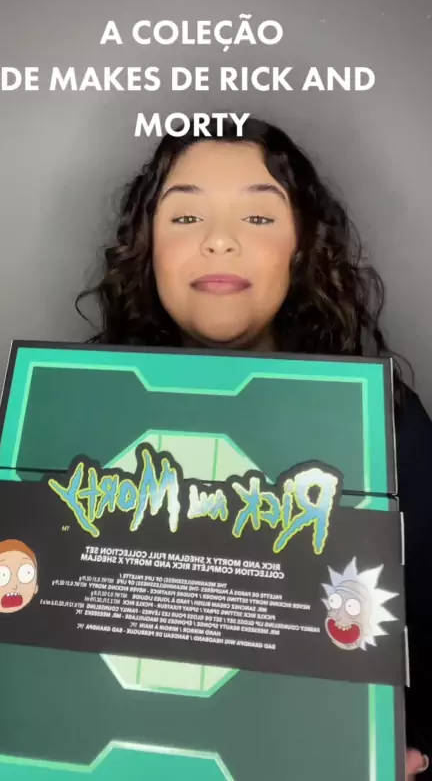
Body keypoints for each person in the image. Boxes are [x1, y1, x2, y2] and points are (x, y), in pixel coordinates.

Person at [77, 116, 432, 778]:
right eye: (186, 218)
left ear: (301, 248)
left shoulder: (388, 425)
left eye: (259, 217)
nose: (219, 241)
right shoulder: (72, 412)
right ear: (147, 248)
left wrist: (386, 751)